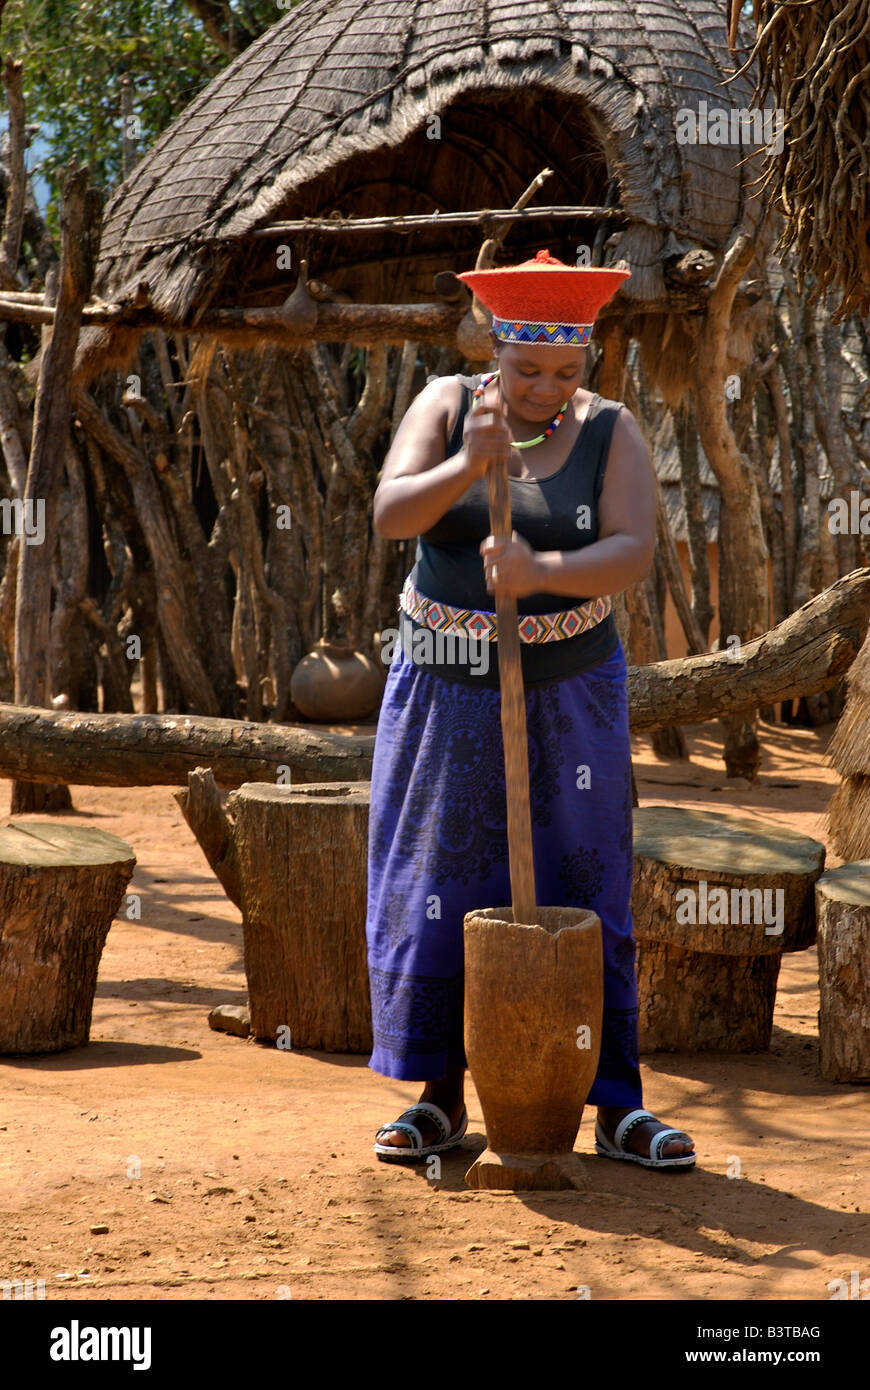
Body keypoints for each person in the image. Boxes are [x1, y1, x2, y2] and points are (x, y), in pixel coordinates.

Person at [365, 250, 695, 1171]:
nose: (547, 389)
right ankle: (439, 1099)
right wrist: (470, 462)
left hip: (571, 692)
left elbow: (631, 549)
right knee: (444, 882)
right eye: (527, 371)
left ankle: (618, 1102)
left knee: (585, 884)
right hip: (443, 686)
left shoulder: (612, 432)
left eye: (566, 371)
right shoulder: (442, 405)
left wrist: (544, 572)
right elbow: (392, 513)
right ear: (494, 349)